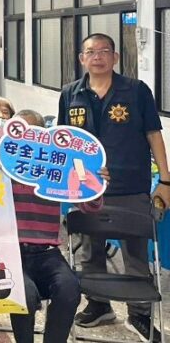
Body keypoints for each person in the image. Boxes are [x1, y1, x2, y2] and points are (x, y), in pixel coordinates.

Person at [59, 33, 169, 341]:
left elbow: (154, 134)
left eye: (104, 51)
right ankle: (98, 305)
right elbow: (64, 140)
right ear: (82, 58)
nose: (97, 56)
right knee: (89, 249)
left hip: (130, 185)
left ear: (115, 57)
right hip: (86, 188)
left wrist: (165, 180)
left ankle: (140, 313)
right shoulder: (70, 93)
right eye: (90, 51)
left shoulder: (136, 91)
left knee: (135, 253)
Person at [4, 109, 82, 343]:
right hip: (11, 253)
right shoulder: (1, 170)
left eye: (33, 133)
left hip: (48, 252)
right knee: (25, 296)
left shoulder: (55, 172)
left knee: (69, 289)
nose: (25, 139)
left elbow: (88, 205)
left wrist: (94, 182)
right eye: (18, 133)